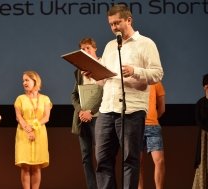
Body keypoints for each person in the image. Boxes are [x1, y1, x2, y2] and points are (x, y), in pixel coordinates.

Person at [94, 4, 163, 189]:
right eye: (111, 24)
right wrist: (94, 74)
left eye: (117, 23)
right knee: (102, 159)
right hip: (106, 109)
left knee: (130, 160)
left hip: (131, 109)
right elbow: (104, 81)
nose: (114, 27)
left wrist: (135, 71)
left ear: (129, 20)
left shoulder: (146, 43)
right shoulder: (109, 47)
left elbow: (157, 74)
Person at [71, 37, 103, 189]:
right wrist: (81, 111)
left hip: (99, 118)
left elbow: (106, 93)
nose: (85, 52)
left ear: (95, 48)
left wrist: (91, 111)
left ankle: (103, 186)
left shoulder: (103, 65)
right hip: (82, 118)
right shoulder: (78, 71)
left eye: (88, 48)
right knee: (86, 157)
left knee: (101, 156)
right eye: (82, 50)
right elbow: (74, 95)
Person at [14, 71, 52, 189]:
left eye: (27, 80)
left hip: (39, 132)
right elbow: (18, 116)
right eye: (23, 80)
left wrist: (33, 127)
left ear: (35, 81)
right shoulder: (20, 98)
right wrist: (27, 129)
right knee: (25, 166)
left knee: (36, 166)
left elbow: (46, 117)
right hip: (23, 132)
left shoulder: (45, 99)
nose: (24, 83)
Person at [138, 82, 166, 189]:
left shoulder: (156, 82)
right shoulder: (132, 80)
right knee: (137, 163)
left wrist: (152, 118)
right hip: (136, 126)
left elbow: (162, 108)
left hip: (153, 126)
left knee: (159, 160)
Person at [192, 73, 208, 189]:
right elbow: (199, 120)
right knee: (204, 163)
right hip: (205, 136)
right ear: (205, 87)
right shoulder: (200, 103)